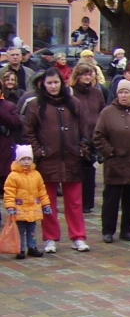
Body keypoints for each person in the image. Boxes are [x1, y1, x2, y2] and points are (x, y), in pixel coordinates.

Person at [22, 69, 89, 253]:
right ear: (43, 84)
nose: (53, 86)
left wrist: (82, 148)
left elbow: (84, 128)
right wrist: (39, 151)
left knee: (74, 201)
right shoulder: (36, 105)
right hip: (47, 160)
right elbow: (28, 131)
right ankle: (50, 237)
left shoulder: (74, 103)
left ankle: (78, 236)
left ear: (62, 83)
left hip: (72, 158)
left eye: (56, 82)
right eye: (49, 83)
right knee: (48, 202)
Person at [93, 81, 130, 243]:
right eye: (121, 92)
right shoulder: (108, 113)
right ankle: (108, 230)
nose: (123, 95)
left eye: (127, 92)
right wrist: (109, 153)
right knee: (111, 200)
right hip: (115, 164)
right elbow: (98, 136)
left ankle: (126, 230)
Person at [69, 63, 105, 214]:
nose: (87, 76)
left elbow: (102, 111)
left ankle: (88, 203)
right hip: (76, 136)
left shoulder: (97, 93)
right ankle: (76, 201)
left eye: (90, 73)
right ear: (77, 76)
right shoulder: (71, 93)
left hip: (94, 136)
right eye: (84, 74)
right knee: (77, 170)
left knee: (91, 170)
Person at [4, 145, 50, 258]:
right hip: (20, 209)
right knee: (20, 231)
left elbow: (42, 190)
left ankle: (32, 247)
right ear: (18, 160)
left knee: (32, 231)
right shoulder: (13, 176)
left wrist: (46, 204)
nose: (26, 162)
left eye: (29, 159)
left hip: (33, 209)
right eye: (23, 159)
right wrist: (10, 207)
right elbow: (9, 192)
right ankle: (20, 249)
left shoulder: (36, 175)